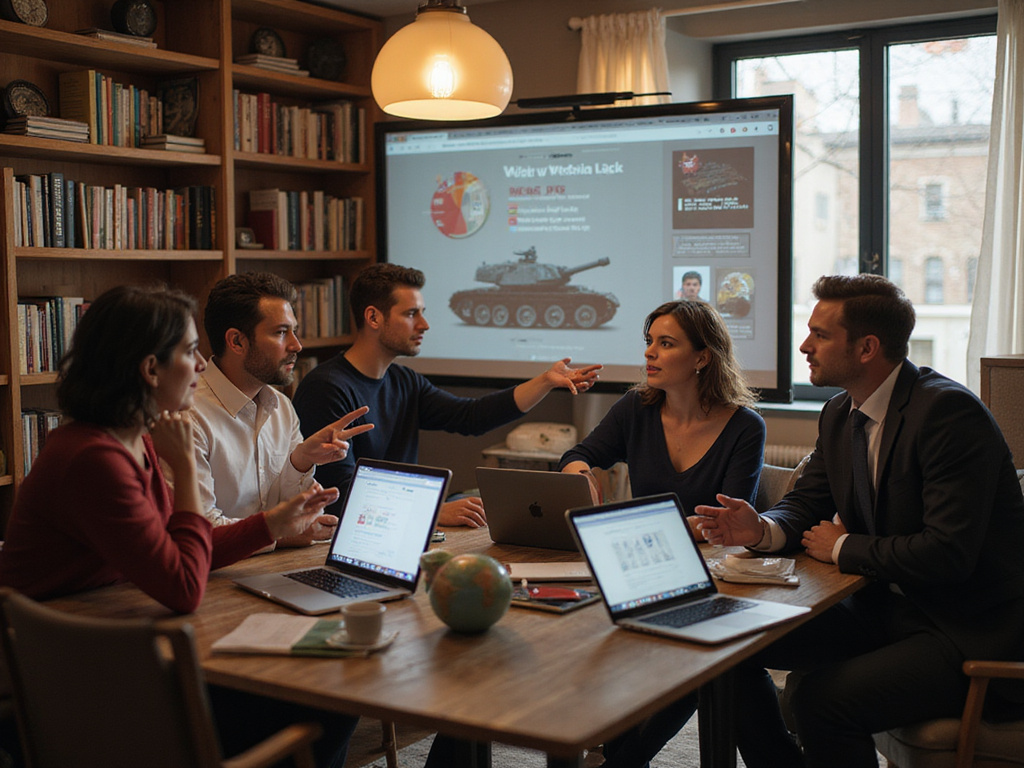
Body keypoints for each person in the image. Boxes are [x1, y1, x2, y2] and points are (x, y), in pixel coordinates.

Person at [0, 284, 358, 768]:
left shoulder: (131, 440)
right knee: (330, 703)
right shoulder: (93, 458)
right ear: (151, 370)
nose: (202, 366)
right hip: (63, 684)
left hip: (96, 646)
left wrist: (270, 524)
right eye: (190, 353)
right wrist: (187, 470)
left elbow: (179, 547)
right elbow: (184, 584)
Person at [695, 274, 1024, 768]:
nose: (805, 346)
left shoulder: (948, 414)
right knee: (728, 649)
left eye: (820, 335)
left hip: (961, 627)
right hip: (886, 610)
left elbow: (948, 554)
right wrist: (761, 530)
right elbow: (805, 502)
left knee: (821, 702)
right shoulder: (838, 412)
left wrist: (843, 547)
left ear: (867, 347)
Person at [558, 298, 765, 768]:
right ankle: (620, 754)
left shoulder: (744, 427)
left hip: (715, 577)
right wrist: (577, 471)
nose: (650, 353)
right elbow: (582, 451)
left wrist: (658, 527)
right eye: (649, 342)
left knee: (699, 657)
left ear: (702, 357)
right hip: (646, 567)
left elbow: (725, 523)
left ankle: (622, 759)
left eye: (665, 344)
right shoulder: (637, 407)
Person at [292, 262, 602, 527]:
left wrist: (546, 381)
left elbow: (471, 417)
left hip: (400, 527)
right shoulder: (327, 389)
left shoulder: (402, 379)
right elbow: (338, 495)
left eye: (422, 312)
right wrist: (431, 511)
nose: (424, 324)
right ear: (373, 318)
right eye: (412, 313)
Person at [191, 272, 373, 548]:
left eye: (294, 330)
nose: (296, 345)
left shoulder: (281, 407)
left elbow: (292, 513)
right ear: (237, 341)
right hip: (213, 580)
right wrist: (291, 536)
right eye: (280, 332)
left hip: (274, 569)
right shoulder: (188, 416)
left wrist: (300, 461)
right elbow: (203, 530)